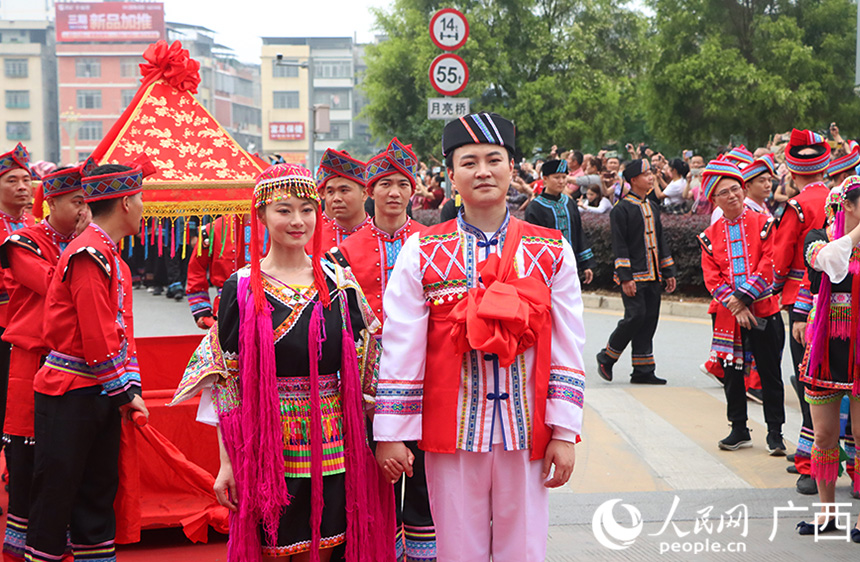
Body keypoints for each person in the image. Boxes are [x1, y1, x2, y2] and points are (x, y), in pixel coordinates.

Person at [373, 112, 585, 561]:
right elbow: (402, 345)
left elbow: (569, 343)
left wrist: (564, 431)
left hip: (527, 432)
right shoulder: (423, 249)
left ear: (513, 169)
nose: (483, 171)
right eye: (469, 162)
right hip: (450, 429)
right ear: (451, 176)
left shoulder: (550, 250)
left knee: (524, 547)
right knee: (456, 548)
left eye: (494, 159)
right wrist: (392, 432)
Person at [207, 163, 391, 560]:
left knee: (323, 551)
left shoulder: (339, 281)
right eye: (284, 209)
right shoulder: (238, 288)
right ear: (261, 215)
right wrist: (227, 462)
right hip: (266, 442)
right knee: (275, 549)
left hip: (334, 439)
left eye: (307, 209)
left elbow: (370, 367)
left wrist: (390, 436)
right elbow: (225, 380)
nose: (297, 220)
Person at [25, 159, 151, 562]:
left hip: (95, 389)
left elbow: (117, 333)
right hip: (71, 392)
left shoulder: (106, 252)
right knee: (58, 492)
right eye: (141, 198)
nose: (144, 207)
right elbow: (97, 333)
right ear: (127, 203)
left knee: (97, 490)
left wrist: (125, 387)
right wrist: (124, 391)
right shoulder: (90, 254)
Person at [335, 139, 433, 562]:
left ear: (414, 191)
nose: (393, 193)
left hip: (429, 379)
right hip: (366, 389)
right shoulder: (341, 253)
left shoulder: (435, 243)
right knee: (378, 481)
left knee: (428, 478)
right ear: (369, 191)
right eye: (384, 184)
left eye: (401, 185)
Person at [0, 164, 90, 561]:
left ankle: (58, 530)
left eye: (89, 203)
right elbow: (60, 285)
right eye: (77, 202)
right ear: (51, 202)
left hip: (72, 358)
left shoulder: (86, 242)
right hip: (31, 358)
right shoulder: (23, 242)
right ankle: (24, 536)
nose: (85, 211)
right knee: (26, 449)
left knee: (64, 451)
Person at [697, 158, 786, 453]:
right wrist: (736, 307)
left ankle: (775, 432)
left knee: (769, 372)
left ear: (743, 190)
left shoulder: (765, 224)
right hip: (727, 315)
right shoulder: (709, 237)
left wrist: (744, 299)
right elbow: (712, 278)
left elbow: (770, 263)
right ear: (714, 200)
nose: (733, 195)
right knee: (732, 376)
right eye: (725, 192)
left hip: (764, 309)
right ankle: (738, 428)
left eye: (736, 188)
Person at [796, 175, 860, 541]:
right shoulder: (817, 240)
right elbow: (828, 262)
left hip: (859, 350)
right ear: (846, 205)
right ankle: (827, 515)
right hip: (825, 352)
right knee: (824, 437)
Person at [772, 129, 832, 495]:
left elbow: (781, 259)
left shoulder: (796, 207)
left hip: (803, 302)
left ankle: (811, 465)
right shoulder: (841, 199)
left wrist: (776, 287)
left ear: (793, 173)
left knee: (811, 383)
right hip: (844, 297)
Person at [596, 159, 677, 385]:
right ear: (633, 181)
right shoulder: (621, 210)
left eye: (651, 173)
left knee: (649, 319)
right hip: (634, 275)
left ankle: (643, 370)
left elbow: (661, 240)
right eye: (646, 174)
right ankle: (607, 356)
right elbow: (619, 246)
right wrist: (625, 277)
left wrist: (668, 270)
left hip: (653, 274)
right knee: (635, 316)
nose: (651, 177)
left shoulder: (652, 206)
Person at [0, 144, 35, 442]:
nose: (22, 187)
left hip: (29, 323)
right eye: (12, 181)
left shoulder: (32, 222)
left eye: (26, 179)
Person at [185, 214, 263, 330]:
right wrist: (201, 310)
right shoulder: (212, 229)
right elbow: (196, 269)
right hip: (226, 310)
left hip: (269, 308)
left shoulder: (275, 226)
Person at [525, 159, 595, 284]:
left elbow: (579, 233)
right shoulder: (535, 207)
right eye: (557, 177)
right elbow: (533, 243)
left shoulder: (569, 203)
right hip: (546, 271)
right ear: (545, 179)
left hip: (571, 267)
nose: (562, 181)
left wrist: (586, 264)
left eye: (564, 177)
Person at [314, 148, 371, 250]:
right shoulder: (312, 238)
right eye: (330, 192)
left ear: (364, 194)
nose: (336, 198)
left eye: (344, 190)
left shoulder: (381, 234)